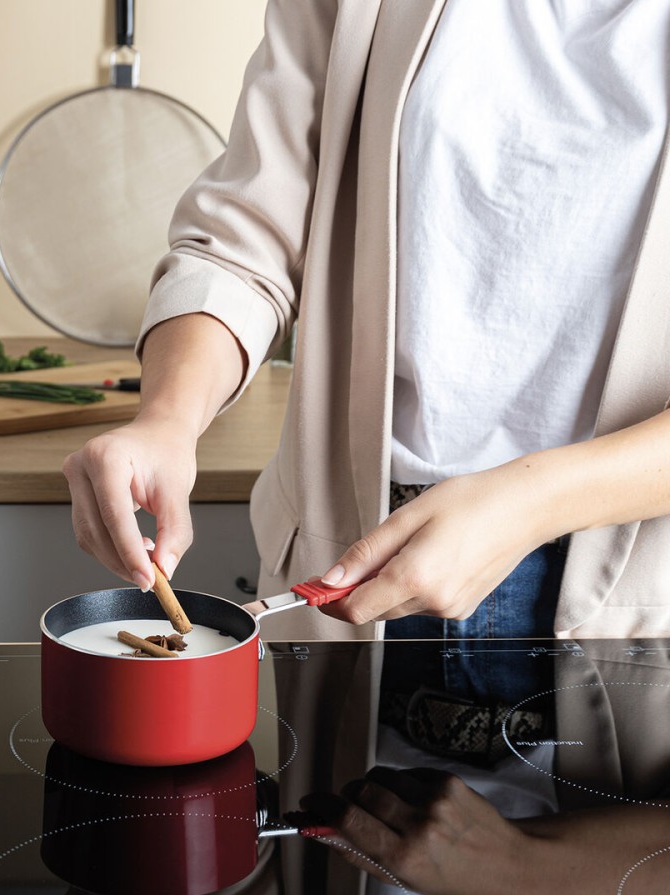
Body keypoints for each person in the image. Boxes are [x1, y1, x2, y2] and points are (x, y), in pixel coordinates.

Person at [62, 0, 670, 641]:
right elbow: (246, 240)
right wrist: (167, 418)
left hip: (632, 594)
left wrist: (530, 503)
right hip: (346, 564)